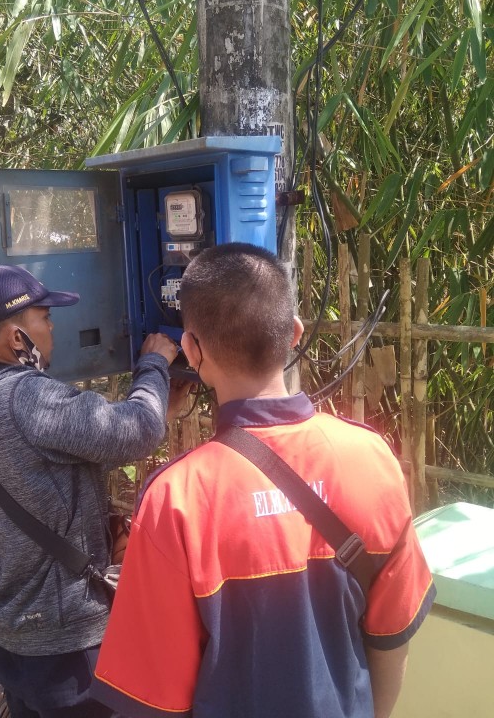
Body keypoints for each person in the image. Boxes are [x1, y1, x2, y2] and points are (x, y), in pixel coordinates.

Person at [91, 242, 436, 718]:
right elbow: (391, 638)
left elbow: (154, 698)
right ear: (294, 333)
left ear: (191, 350)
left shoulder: (176, 499)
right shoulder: (373, 458)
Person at [0, 264, 183, 718]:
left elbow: (52, 464)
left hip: (17, 640)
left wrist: (159, 408)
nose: (52, 328)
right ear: (16, 338)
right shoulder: (26, 396)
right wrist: (154, 364)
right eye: (44, 318)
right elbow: (136, 432)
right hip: (68, 648)